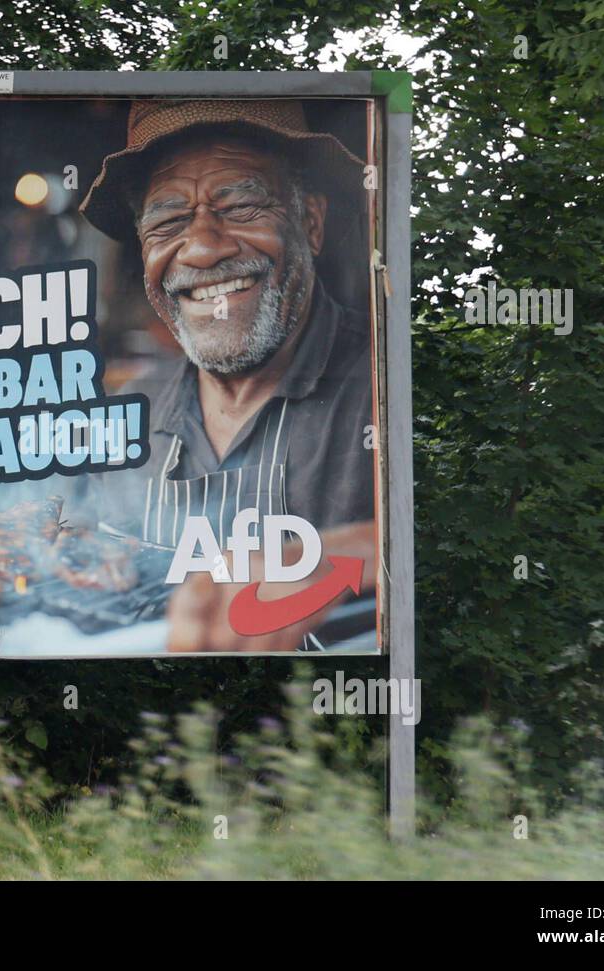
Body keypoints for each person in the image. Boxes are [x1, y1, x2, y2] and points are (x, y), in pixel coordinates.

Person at [77, 99, 380, 652]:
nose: (203, 247)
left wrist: (349, 555)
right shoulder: (130, 415)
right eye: (167, 221)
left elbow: (478, 543)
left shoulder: (385, 390)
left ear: (310, 223)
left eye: (240, 206)